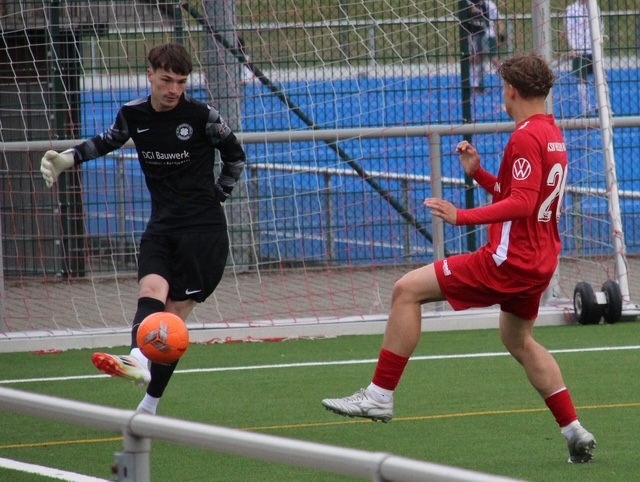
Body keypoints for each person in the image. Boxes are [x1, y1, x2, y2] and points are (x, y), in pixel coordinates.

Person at [321, 52, 597, 464]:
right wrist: (479, 174)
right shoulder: (551, 132)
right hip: (540, 261)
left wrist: (461, 216)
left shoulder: (525, 137)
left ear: (511, 90)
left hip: (510, 260)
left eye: (502, 89)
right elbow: (523, 195)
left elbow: (523, 203)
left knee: (406, 290)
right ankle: (573, 429)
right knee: (518, 340)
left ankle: (379, 395)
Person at [40, 43, 247, 415]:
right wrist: (67, 158)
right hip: (161, 226)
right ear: (150, 75)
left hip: (203, 233)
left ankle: (150, 405)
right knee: (150, 291)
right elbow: (107, 140)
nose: (174, 89)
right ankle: (136, 357)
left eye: (181, 82)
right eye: (166, 80)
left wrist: (219, 195)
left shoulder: (203, 116)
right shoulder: (133, 114)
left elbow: (236, 155)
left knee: (171, 325)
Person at [564, 0, 599, 116]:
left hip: (594, 48)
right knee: (582, 78)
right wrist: (574, 47)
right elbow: (569, 30)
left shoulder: (595, 7)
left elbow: (601, 26)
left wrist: (599, 43)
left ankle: (599, 105)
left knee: (600, 76)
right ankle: (586, 108)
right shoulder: (571, 10)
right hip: (580, 50)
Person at [464, 0, 490, 94]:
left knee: (481, 58)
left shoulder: (483, 4)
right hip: (472, 33)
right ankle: (474, 84)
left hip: (482, 33)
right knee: (474, 58)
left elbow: (486, 17)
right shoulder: (468, 3)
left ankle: (480, 84)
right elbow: (465, 18)